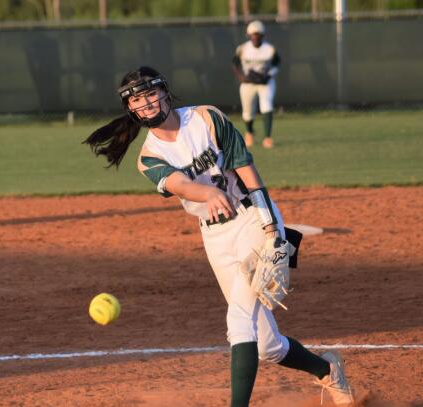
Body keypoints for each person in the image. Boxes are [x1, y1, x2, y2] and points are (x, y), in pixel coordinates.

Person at [84, 66, 355, 407]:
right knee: (267, 346)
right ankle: (327, 369)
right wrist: (206, 194)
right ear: (131, 109)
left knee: (239, 320)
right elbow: (179, 184)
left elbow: (245, 167)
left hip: (252, 218)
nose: (147, 103)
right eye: (137, 99)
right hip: (215, 237)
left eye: (151, 93)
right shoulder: (149, 157)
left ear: (166, 93)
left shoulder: (205, 118)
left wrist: (272, 227)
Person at [232, 20, 280, 149]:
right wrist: (242, 77)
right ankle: (249, 132)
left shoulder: (269, 49)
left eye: (258, 34)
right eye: (253, 34)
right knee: (247, 111)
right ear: (248, 35)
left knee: (267, 106)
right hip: (248, 83)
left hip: (265, 82)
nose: (255, 37)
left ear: (263, 35)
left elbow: (276, 65)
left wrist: (268, 75)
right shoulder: (242, 49)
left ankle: (267, 137)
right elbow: (235, 65)